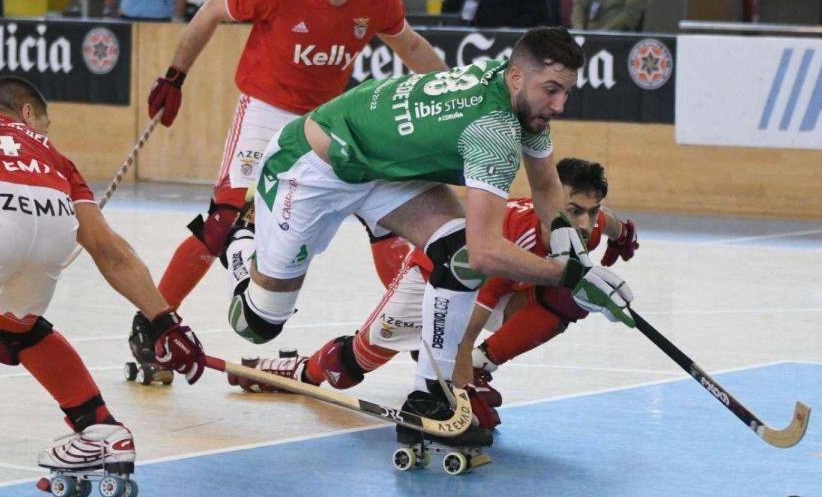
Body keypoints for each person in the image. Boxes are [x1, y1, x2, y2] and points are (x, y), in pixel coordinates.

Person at [221, 26, 634, 447]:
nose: (560, 104)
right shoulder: (493, 132)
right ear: (516, 77)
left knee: (456, 254)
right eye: (552, 90)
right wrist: (570, 277)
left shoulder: (519, 98)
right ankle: (239, 241)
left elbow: (547, 189)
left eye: (566, 91)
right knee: (256, 324)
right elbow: (487, 251)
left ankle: (429, 395)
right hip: (310, 168)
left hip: (381, 170)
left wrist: (579, 260)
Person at [135, 0, 448, 379]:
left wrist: (450, 98)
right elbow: (209, 12)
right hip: (267, 112)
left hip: (329, 121)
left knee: (387, 223)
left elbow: (413, 46)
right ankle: (153, 326)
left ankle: (421, 340)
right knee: (224, 220)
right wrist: (174, 76)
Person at [228, 157, 639, 433]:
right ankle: (291, 372)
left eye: (591, 211)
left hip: (490, 291)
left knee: (571, 297)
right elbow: (463, 326)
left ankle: (480, 366)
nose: (584, 224)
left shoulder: (592, 225)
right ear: (546, 201)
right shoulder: (512, 235)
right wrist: (462, 394)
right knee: (349, 366)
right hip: (435, 280)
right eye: (574, 211)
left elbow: (611, 223)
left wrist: (626, 234)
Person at [0, 76, 205, 482]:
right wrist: (165, 322)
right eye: (45, 123)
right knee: (10, 331)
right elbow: (109, 250)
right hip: (52, 223)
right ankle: (100, 428)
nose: (43, 132)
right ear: (26, 113)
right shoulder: (53, 155)